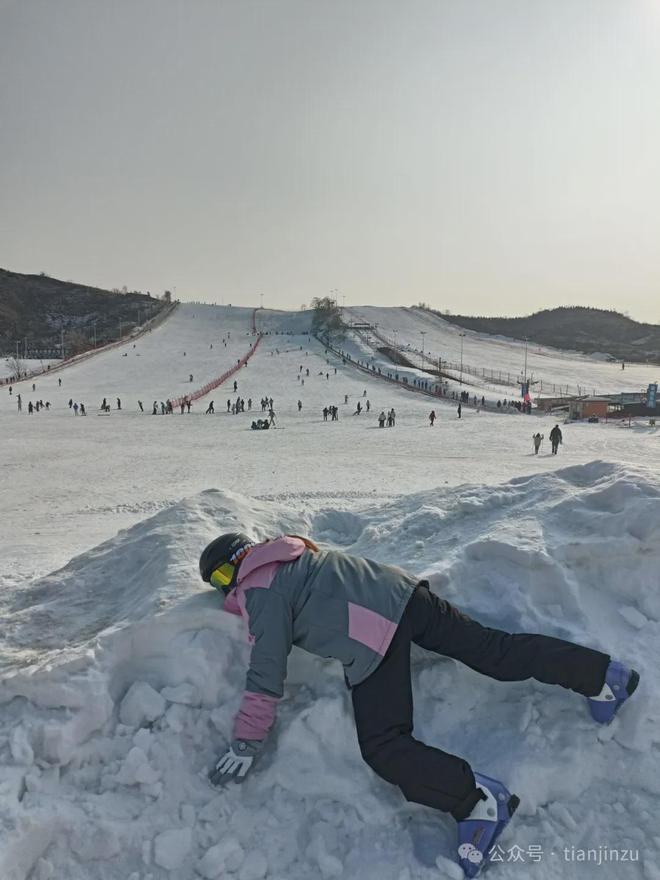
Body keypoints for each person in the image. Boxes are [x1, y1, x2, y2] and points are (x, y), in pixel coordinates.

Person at [199, 534, 639, 878]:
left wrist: (247, 741)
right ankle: (604, 676)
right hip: (407, 595)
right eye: (218, 583)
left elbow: (266, 670)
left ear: (236, 563)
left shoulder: (261, 589)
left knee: (384, 745)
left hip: (376, 635)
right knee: (496, 652)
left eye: (221, 577)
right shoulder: (295, 553)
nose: (225, 587)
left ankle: (478, 802)